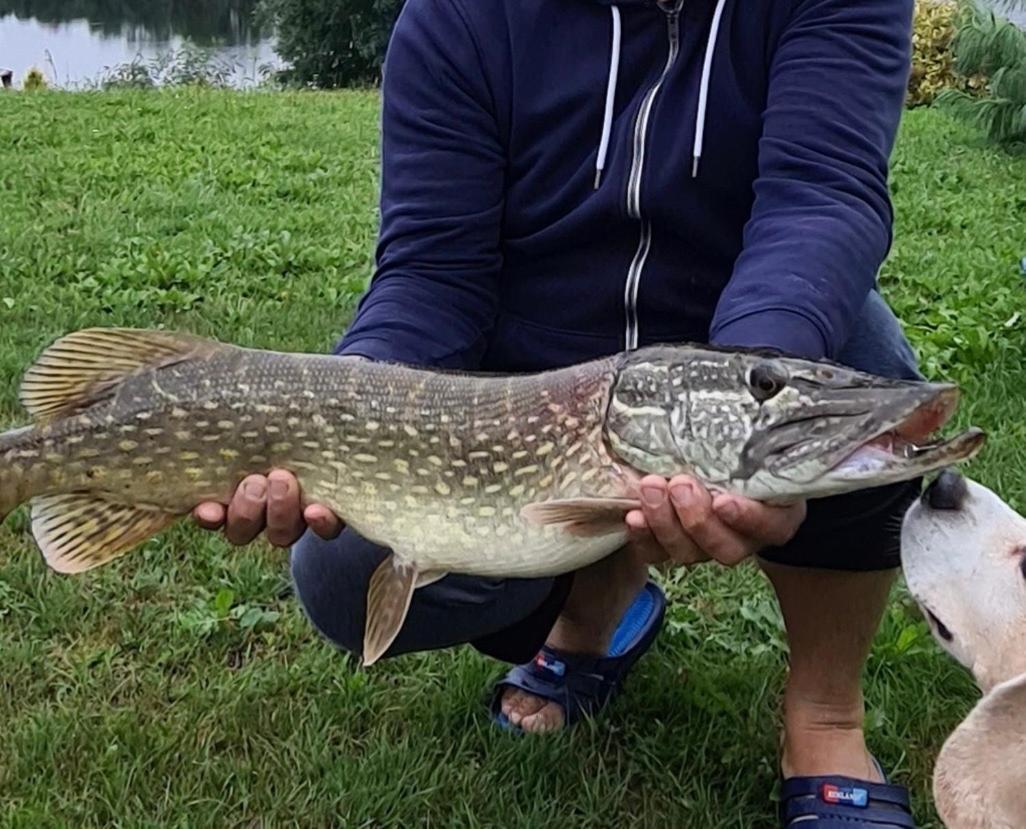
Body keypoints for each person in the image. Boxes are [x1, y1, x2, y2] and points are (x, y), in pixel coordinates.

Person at [195, 0, 924, 824]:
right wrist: (351, 402)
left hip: (739, 311)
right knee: (344, 568)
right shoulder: (457, 16)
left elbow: (820, 195)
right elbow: (432, 270)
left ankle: (823, 712)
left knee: (861, 371)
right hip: (541, 354)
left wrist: (743, 382)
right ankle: (595, 614)